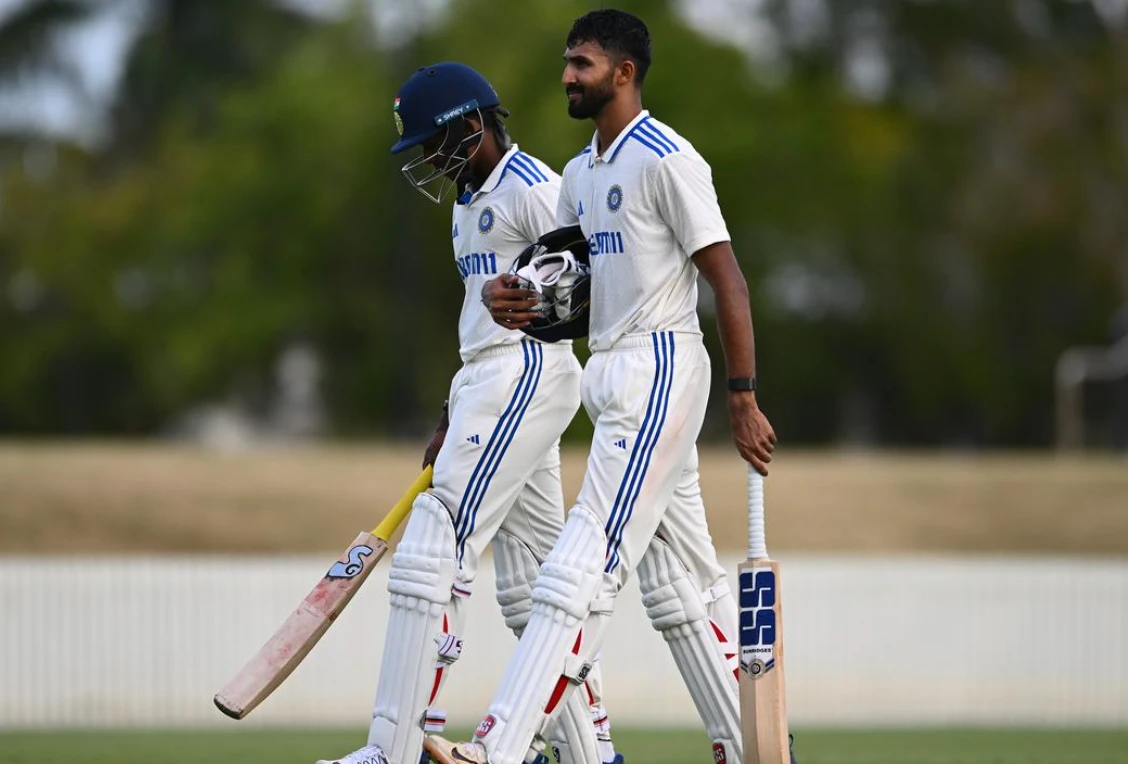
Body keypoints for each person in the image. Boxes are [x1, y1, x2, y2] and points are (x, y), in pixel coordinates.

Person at [424, 10, 785, 764]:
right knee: (676, 591)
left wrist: (743, 397)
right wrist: (509, 300)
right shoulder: (582, 173)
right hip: (606, 372)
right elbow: (565, 287)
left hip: (661, 365)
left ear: (623, 73)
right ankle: (754, 749)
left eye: (582, 64)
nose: (567, 76)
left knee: (577, 564)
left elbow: (728, 279)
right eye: (567, 62)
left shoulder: (666, 159)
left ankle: (500, 747)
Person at [316, 62, 622, 764]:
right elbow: (474, 323)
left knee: (435, 539)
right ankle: (591, 756)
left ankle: (391, 749)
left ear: (471, 125)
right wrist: (453, 411)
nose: (425, 158)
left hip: (529, 371)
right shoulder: (464, 205)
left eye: (431, 142)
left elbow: (598, 272)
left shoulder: (531, 185)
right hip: (487, 383)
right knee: (529, 589)